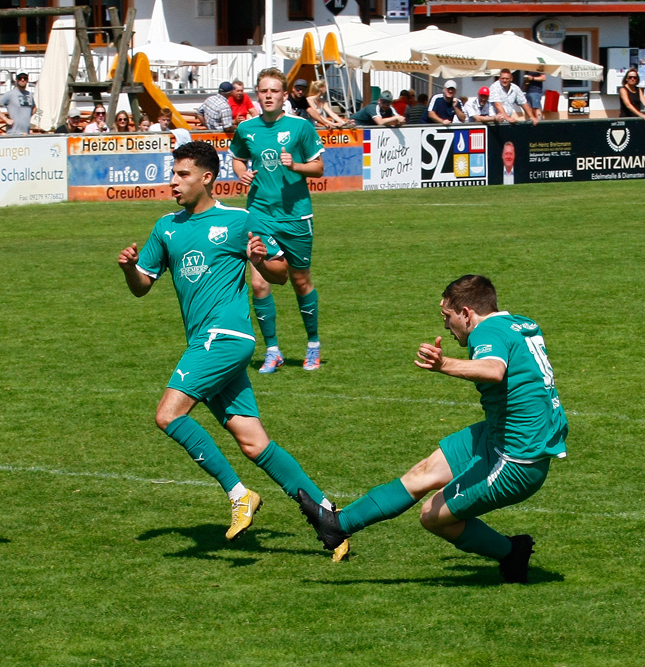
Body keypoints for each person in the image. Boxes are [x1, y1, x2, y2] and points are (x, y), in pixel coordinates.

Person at [117, 141, 342, 547]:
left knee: (169, 415)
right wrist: (130, 268)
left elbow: (278, 273)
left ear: (207, 178)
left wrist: (259, 259)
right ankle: (328, 516)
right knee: (254, 442)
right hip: (208, 343)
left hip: (224, 338)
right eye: (173, 173)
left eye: (182, 174)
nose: (173, 182)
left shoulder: (239, 221)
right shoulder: (165, 227)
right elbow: (141, 288)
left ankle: (240, 495)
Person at [300, 275, 567, 584]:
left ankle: (511, 551)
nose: (445, 326)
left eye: (447, 316)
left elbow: (494, 370)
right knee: (424, 471)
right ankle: (337, 524)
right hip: (501, 432)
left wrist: (444, 365)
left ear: (466, 313)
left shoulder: (486, 332)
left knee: (433, 516)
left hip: (518, 459)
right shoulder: (519, 323)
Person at [230, 67, 326, 373]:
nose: (268, 95)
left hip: (296, 215)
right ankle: (272, 350)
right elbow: (237, 157)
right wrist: (240, 172)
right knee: (259, 283)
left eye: (274, 90)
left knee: (300, 280)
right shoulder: (246, 129)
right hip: (259, 213)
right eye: (263, 91)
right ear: (257, 95)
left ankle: (313, 344)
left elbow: (319, 168)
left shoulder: (300, 127)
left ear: (284, 95)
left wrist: (296, 165)